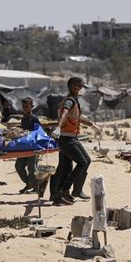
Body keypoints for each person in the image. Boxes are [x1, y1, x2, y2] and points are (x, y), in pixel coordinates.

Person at [51, 77, 102, 205]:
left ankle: (59, 196)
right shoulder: (69, 101)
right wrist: (58, 127)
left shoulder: (74, 101)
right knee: (84, 162)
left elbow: (79, 116)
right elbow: (64, 114)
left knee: (66, 167)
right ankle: (64, 190)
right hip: (67, 139)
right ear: (75, 87)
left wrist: (92, 125)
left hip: (68, 137)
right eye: (81, 86)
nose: (83, 89)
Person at [15, 97, 41, 194]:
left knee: (32, 167)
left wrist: (29, 133)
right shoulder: (23, 119)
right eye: (23, 106)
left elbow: (39, 132)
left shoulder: (34, 118)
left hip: (33, 146)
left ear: (31, 106)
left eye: (27, 106)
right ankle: (28, 184)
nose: (25, 107)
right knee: (18, 166)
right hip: (24, 146)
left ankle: (35, 187)